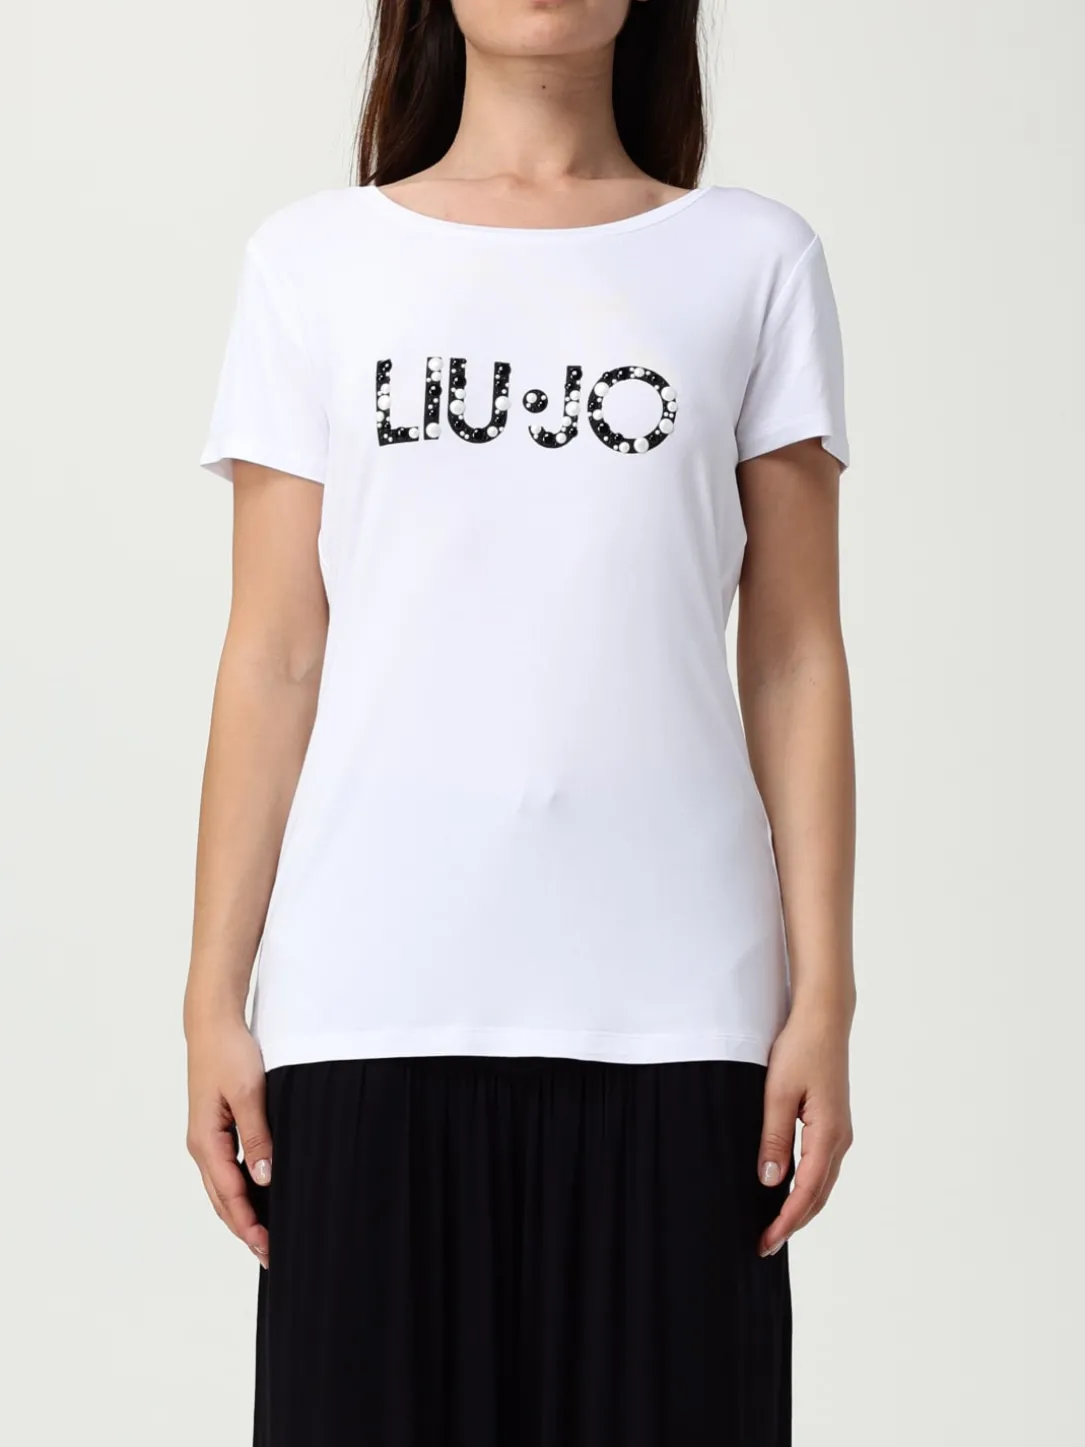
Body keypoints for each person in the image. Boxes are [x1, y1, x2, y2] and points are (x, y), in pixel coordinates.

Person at [184, 1, 857, 1442]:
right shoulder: (313, 262)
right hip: (367, 1007)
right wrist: (211, 996)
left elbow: (796, 654)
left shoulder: (753, 261)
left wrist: (825, 995)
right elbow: (275, 651)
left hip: (681, 1020)